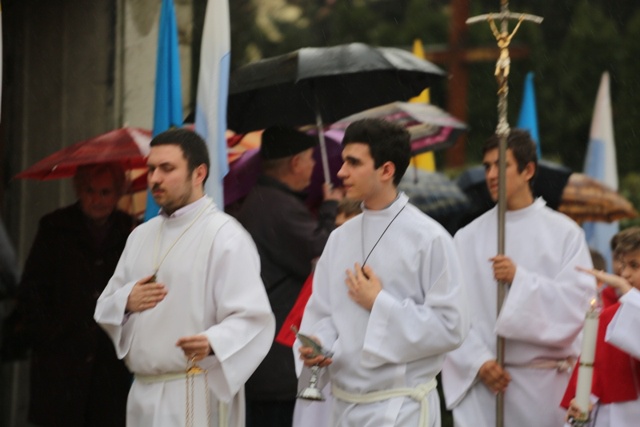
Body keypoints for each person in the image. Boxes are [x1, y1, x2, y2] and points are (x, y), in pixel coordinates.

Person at [94, 129, 275, 427]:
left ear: (198, 173)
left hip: (195, 392)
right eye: (151, 169)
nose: (154, 179)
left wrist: (213, 342)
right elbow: (104, 307)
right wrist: (126, 301)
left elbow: (253, 317)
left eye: (167, 169)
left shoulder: (225, 236)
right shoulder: (140, 236)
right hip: (142, 392)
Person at [297, 118, 468, 426]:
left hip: (400, 408)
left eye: (353, 162)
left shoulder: (430, 238)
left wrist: (379, 302)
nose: (341, 172)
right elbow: (323, 312)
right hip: (344, 406)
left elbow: (451, 326)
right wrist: (319, 346)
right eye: (343, 160)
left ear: (386, 170)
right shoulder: (339, 238)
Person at [441, 129, 596, 427]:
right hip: (486, 385)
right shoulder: (466, 238)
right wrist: (478, 360)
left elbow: (580, 308)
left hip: (544, 388)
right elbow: (450, 312)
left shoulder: (565, 234)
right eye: (486, 166)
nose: (491, 174)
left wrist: (520, 281)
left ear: (528, 170)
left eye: (501, 165)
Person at [237, 125, 343, 427]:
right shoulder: (278, 207)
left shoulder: (261, 200)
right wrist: (330, 207)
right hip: (276, 360)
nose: (313, 166)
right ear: (296, 162)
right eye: (310, 158)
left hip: (261, 356)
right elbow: (322, 253)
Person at [15, 162, 134, 426]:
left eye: (105, 192)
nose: (97, 199)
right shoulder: (55, 228)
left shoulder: (130, 231)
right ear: (79, 190)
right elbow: (31, 290)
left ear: (117, 193)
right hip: (60, 363)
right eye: (90, 191)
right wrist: (50, 332)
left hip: (108, 366)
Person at [561, 226, 640, 426]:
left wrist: (627, 292)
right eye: (623, 265)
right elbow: (589, 390)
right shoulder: (608, 319)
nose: (626, 274)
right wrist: (579, 411)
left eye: (635, 265)